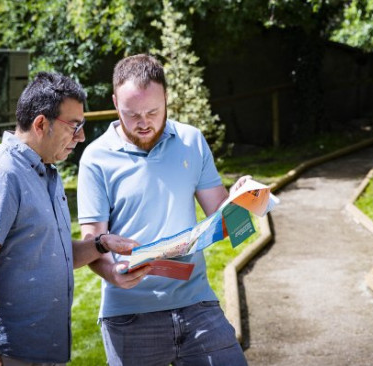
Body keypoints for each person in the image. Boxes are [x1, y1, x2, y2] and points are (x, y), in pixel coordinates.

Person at [0, 71, 150, 366]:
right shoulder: (1, 174)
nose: (82, 136)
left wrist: (102, 244)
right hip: (9, 355)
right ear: (40, 123)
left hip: (45, 351)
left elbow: (54, 254)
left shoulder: (47, 172)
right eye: (75, 126)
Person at [78, 54, 248, 365]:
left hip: (197, 303)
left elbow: (221, 217)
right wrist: (111, 274)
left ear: (166, 98)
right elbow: (93, 242)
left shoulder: (191, 141)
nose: (143, 122)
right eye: (132, 114)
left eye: (153, 112)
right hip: (130, 314)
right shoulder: (95, 158)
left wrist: (241, 201)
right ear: (115, 102)